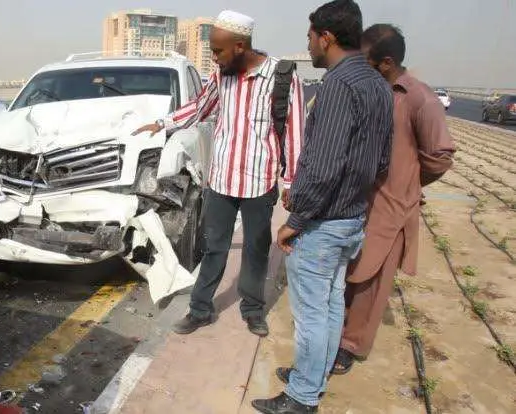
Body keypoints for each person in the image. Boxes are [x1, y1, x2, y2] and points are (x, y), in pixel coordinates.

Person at [251, 1, 393, 413]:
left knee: (312, 314)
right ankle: (312, 376)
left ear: (326, 37)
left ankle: (301, 399)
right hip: (351, 217)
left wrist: (295, 221)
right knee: (330, 304)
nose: (308, 44)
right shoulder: (377, 85)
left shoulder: (338, 85)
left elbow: (324, 164)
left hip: (324, 222)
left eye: (310, 37)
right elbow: (381, 160)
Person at [132, 10, 305, 337]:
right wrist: (163, 123)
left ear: (240, 46)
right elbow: (200, 107)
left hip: (259, 181)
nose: (214, 56)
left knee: (255, 249)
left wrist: (292, 182)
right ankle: (200, 309)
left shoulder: (281, 77)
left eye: (218, 50)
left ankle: (252, 309)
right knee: (214, 247)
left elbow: (295, 133)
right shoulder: (220, 75)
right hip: (222, 180)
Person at [331, 24, 455, 374]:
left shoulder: (420, 99)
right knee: (349, 273)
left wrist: (408, 184)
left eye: (364, 60)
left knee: (370, 282)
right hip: (357, 200)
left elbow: (439, 157)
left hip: (390, 207)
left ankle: (351, 346)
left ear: (385, 63)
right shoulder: (371, 91)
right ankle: (335, 333)